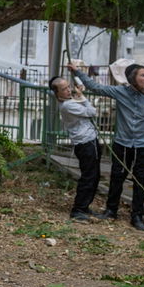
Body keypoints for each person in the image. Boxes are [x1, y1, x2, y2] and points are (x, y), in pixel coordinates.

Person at [71, 63, 144, 230]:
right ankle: (111, 210)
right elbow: (94, 87)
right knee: (117, 177)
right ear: (133, 78)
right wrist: (76, 71)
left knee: (140, 180)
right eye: (143, 75)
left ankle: (137, 216)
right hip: (122, 144)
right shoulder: (119, 92)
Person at [50, 76, 101, 223]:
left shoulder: (69, 101)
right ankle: (78, 209)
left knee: (94, 176)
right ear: (57, 93)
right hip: (85, 142)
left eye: (68, 87)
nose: (68, 90)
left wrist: (78, 93)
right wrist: (83, 97)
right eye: (64, 89)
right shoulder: (67, 105)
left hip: (89, 140)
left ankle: (84, 207)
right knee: (89, 176)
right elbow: (92, 112)